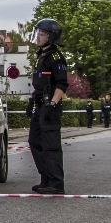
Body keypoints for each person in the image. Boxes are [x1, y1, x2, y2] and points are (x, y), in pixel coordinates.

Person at [26, 18, 69, 195]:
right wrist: (31, 101)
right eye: (38, 33)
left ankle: (56, 182)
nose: (38, 37)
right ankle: (45, 178)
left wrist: (53, 104)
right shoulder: (41, 56)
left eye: (42, 34)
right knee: (35, 141)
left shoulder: (56, 58)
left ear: (51, 37)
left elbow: (61, 84)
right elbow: (39, 85)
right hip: (40, 106)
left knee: (50, 145)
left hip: (50, 107)